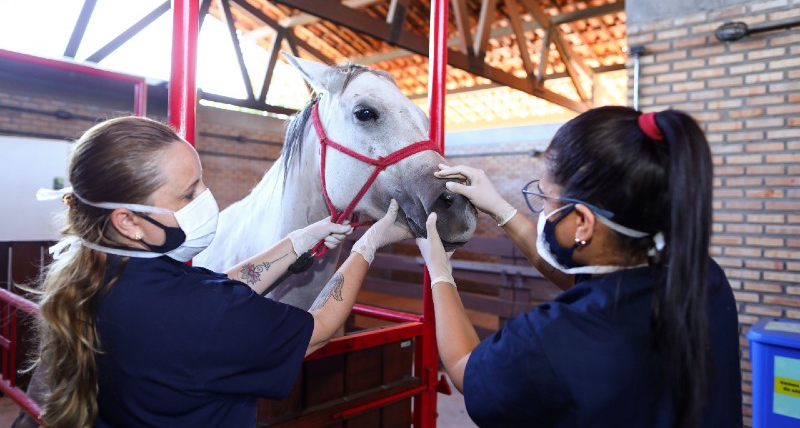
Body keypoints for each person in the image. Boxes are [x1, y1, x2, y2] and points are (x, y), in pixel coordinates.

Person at [25, 116, 410, 428]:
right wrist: (366, 247)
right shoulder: (201, 314)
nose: (205, 198)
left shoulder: (104, 272)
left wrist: (296, 242)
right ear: (128, 221)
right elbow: (320, 328)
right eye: (189, 194)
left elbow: (221, 287)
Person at [415, 106, 742, 428]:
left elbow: (464, 368)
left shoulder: (551, 339)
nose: (542, 208)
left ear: (584, 223)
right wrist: (500, 209)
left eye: (545, 198)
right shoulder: (701, 277)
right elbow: (583, 284)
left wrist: (440, 271)